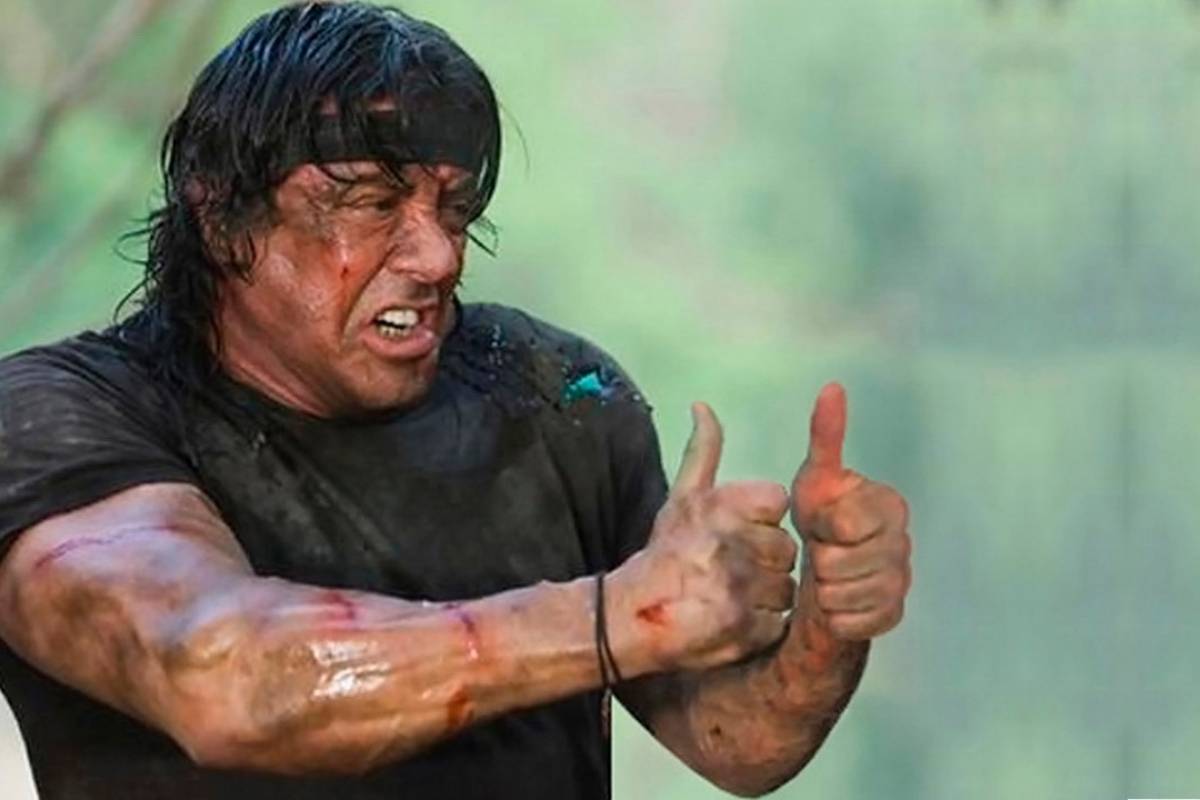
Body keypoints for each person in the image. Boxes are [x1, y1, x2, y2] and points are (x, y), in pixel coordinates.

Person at [0, 3, 913, 799]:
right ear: (223, 216)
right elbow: (219, 677)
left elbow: (736, 741)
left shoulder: (550, 393)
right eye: (371, 203)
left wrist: (831, 618)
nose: (438, 256)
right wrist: (612, 619)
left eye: (453, 208)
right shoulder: (61, 418)